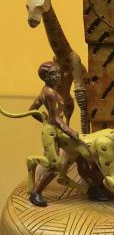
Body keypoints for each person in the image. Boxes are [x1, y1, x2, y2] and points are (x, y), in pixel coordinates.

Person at [28, 61, 108, 206]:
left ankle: (92, 189)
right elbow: (55, 118)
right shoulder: (50, 93)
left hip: (58, 130)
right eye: (53, 74)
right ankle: (36, 193)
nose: (57, 76)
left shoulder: (48, 90)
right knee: (55, 166)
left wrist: (44, 119)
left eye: (58, 73)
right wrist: (69, 130)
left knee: (81, 155)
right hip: (53, 133)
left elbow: (33, 109)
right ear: (45, 77)